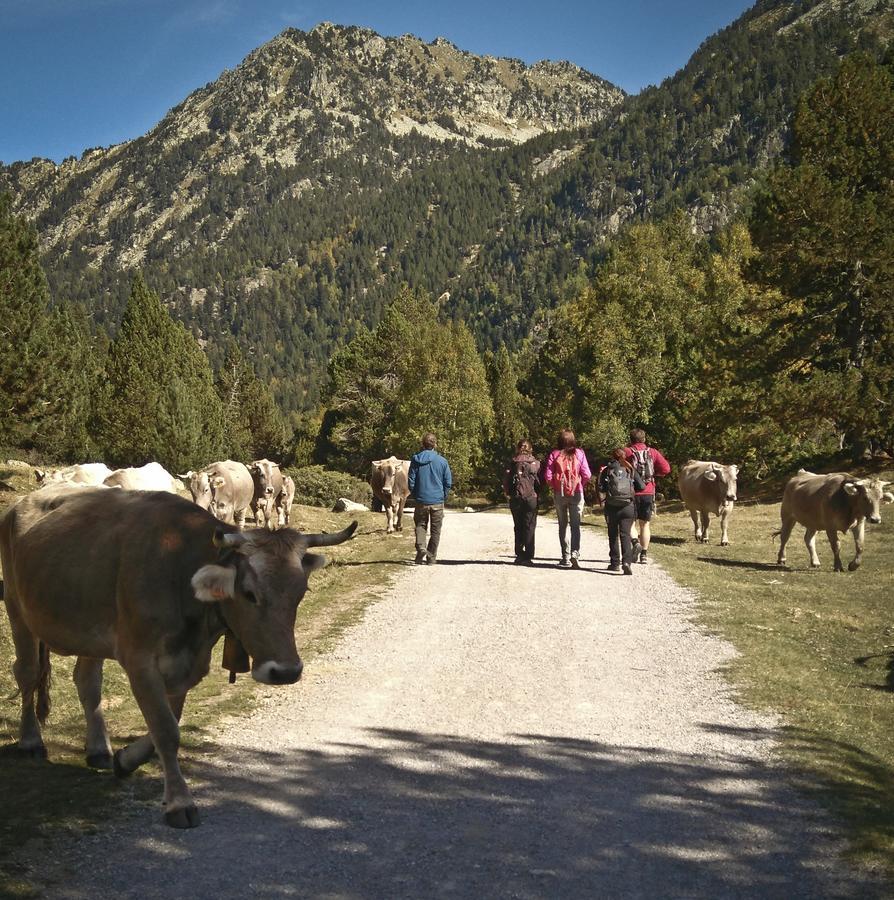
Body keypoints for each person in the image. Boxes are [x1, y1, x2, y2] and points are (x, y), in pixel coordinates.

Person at [543, 429, 591, 568]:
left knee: (562, 525)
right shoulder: (580, 453)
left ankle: (565, 557)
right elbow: (587, 474)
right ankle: (575, 553)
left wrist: (556, 487)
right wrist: (579, 484)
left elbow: (548, 476)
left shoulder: (555, 454)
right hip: (576, 493)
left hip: (560, 493)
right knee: (575, 526)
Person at [624, 428, 671, 564]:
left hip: (631, 492)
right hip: (648, 491)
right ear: (644, 439)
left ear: (630, 440)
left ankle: (635, 543)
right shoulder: (653, 452)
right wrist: (653, 474)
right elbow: (666, 469)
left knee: (630, 522)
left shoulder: (627, 452)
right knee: (645, 525)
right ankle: (644, 555)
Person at [598, 448, 646, 575]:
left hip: (611, 506)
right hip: (628, 506)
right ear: (625, 456)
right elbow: (642, 486)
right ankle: (627, 562)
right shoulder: (629, 468)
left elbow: (601, 488)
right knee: (625, 534)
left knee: (613, 535)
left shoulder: (607, 470)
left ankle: (614, 563)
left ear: (612, 457)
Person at [408, 432, 453, 565]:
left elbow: (411, 480)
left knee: (420, 525)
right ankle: (431, 558)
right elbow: (448, 482)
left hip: (421, 500)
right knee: (435, 530)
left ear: (423, 444)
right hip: (437, 501)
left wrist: (416, 495)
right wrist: (443, 495)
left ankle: (421, 548)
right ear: (435, 444)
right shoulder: (442, 461)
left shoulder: (416, 460)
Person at [502, 439, 541, 564]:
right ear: (530, 449)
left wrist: (507, 493)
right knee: (530, 526)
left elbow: (506, 480)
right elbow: (540, 481)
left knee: (518, 526)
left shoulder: (512, 463)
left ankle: (519, 554)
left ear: (518, 448)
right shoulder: (536, 463)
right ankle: (528, 556)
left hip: (516, 497)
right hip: (531, 497)